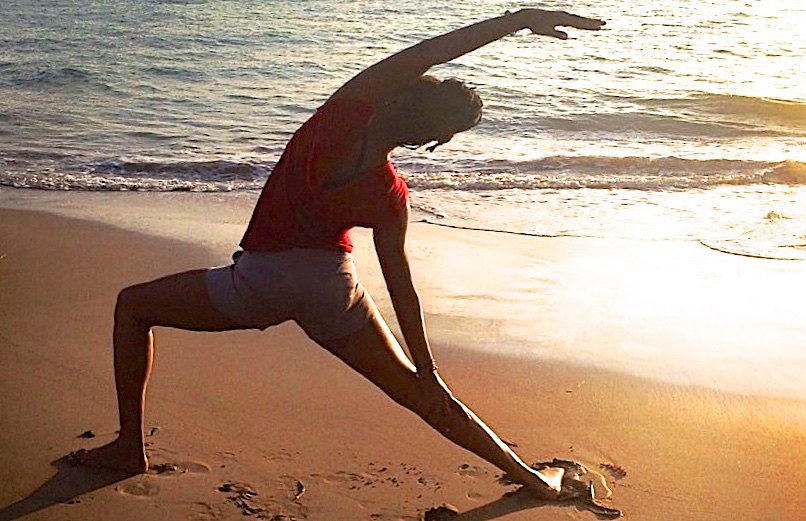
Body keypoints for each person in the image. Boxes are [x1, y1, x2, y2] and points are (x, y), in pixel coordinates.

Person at [70, 8, 605, 498]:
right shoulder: (392, 195)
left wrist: (520, 20)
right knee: (416, 394)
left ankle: (128, 449)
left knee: (133, 307)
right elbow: (402, 289)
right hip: (331, 287)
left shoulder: (345, 111)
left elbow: (436, 48)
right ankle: (533, 479)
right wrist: (427, 369)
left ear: (403, 94)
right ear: (430, 140)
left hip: (259, 282)